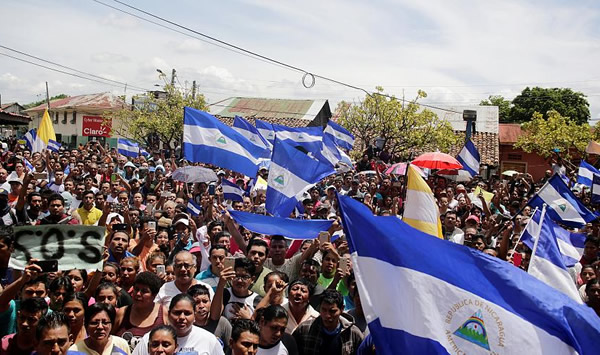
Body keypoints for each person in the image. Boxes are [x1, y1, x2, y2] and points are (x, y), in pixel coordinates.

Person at [132, 293, 224, 355]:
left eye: (187, 313)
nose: (182, 318)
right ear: (168, 314)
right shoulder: (150, 339)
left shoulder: (209, 340)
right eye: (177, 313)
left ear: (195, 316)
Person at [292, 290, 363, 355]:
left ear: (342, 309)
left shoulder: (353, 333)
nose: (327, 315)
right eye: (324, 310)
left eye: (332, 311)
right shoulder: (305, 329)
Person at [114, 272, 168, 352]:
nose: (138, 294)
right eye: (136, 289)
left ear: (154, 295)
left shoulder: (164, 313)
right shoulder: (122, 313)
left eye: (144, 291)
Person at [0, 261, 46, 337]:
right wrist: (23, 279)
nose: (34, 296)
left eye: (39, 292)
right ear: (19, 293)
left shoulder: (49, 313)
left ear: (47, 293)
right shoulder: (12, 307)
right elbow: (1, 301)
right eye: (29, 292)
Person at [211, 258, 262, 322]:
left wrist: (248, 319)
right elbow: (214, 316)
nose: (239, 281)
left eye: (245, 277)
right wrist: (221, 284)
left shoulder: (257, 300)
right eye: (236, 276)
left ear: (252, 279)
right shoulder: (224, 294)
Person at [187, 284, 231, 350]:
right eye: (197, 302)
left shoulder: (222, 323)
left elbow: (232, 348)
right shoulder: (186, 326)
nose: (201, 306)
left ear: (210, 302)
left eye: (205, 301)